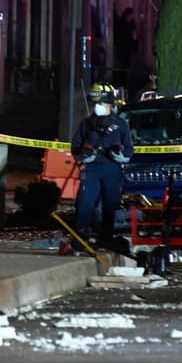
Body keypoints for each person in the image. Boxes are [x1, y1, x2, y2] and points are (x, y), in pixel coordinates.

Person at [69, 82, 134, 253]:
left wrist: (123, 157)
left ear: (109, 104)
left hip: (112, 170)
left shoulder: (120, 124)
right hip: (91, 171)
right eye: (95, 104)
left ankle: (105, 239)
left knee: (110, 206)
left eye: (100, 104)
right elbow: (75, 146)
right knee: (84, 204)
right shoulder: (87, 124)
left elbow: (129, 148)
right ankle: (79, 241)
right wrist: (82, 155)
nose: (97, 107)